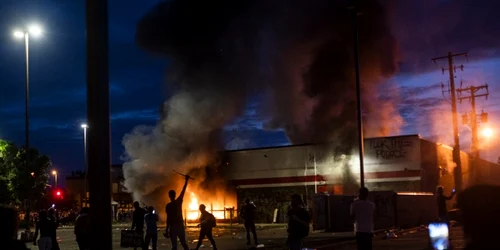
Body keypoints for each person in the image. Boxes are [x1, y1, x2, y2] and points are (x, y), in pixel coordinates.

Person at [165, 174, 191, 250]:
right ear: (175, 195)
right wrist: (186, 180)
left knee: (174, 246)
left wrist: (167, 229)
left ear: (169, 196)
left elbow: (168, 219)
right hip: (179, 226)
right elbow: (183, 190)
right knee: (183, 243)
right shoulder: (178, 202)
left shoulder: (168, 205)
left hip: (173, 226)